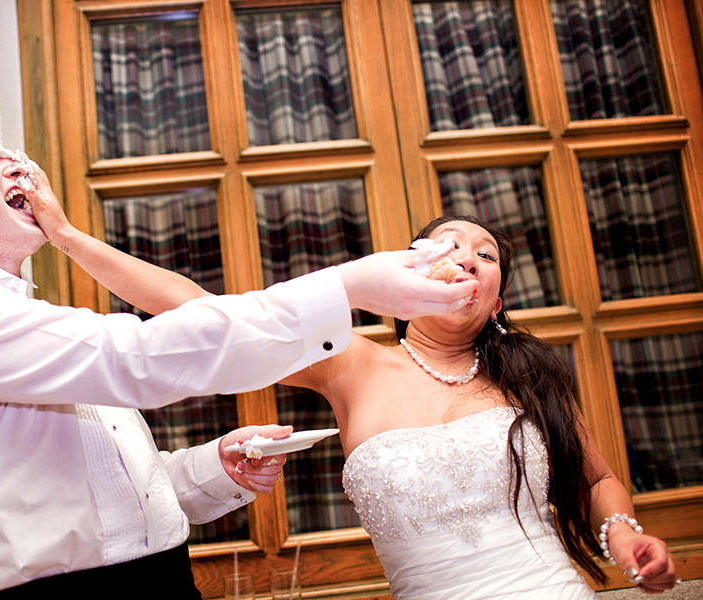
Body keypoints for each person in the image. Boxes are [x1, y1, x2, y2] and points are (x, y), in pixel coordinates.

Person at [0, 117, 478, 600]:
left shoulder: (34, 320)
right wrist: (345, 287)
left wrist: (215, 469)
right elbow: (140, 356)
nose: (17, 163)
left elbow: (109, 498)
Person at [279, 215, 679, 598]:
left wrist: (623, 533)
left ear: (495, 305)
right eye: (448, 245)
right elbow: (228, 323)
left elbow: (596, 481)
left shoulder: (529, 375)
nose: (467, 259)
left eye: (486, 256)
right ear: (408, 276)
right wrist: (349, 282)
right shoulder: (349, 364)